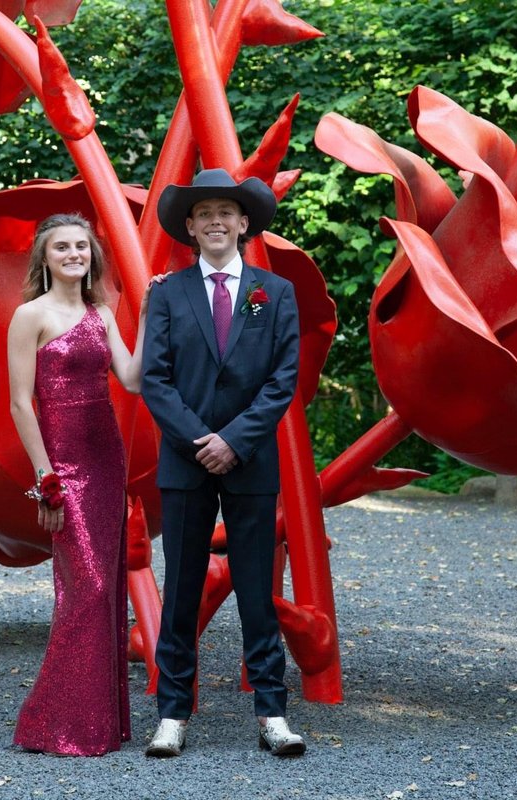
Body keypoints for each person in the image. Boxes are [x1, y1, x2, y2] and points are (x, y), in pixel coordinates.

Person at [140, 169, 306, 757]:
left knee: (258, 590)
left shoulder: (274, 293)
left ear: (244, 223)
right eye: (203, 212)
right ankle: (172, 714)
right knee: (182, 590)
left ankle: (272, 713)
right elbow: (154, 380)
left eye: (225, 212)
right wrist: (199, 441)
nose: (215, 221)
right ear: (189, 226)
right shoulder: (166, 292)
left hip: (251, 462)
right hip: (185, 466)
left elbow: (282, 379)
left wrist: (233, 440)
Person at [6, 213, 155, 756]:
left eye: (81, 246)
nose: (74, 254)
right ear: (44, 259)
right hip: (63, 465)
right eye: (62, 247)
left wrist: (155, 315)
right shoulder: (29, 316)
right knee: (84, 588)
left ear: (92, 255)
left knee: (106, 587)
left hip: (106, 460)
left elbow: (133, 379)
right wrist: (45, 479)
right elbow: (22, 403)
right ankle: (54, 723)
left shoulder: (101, 313)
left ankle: (92, 725)